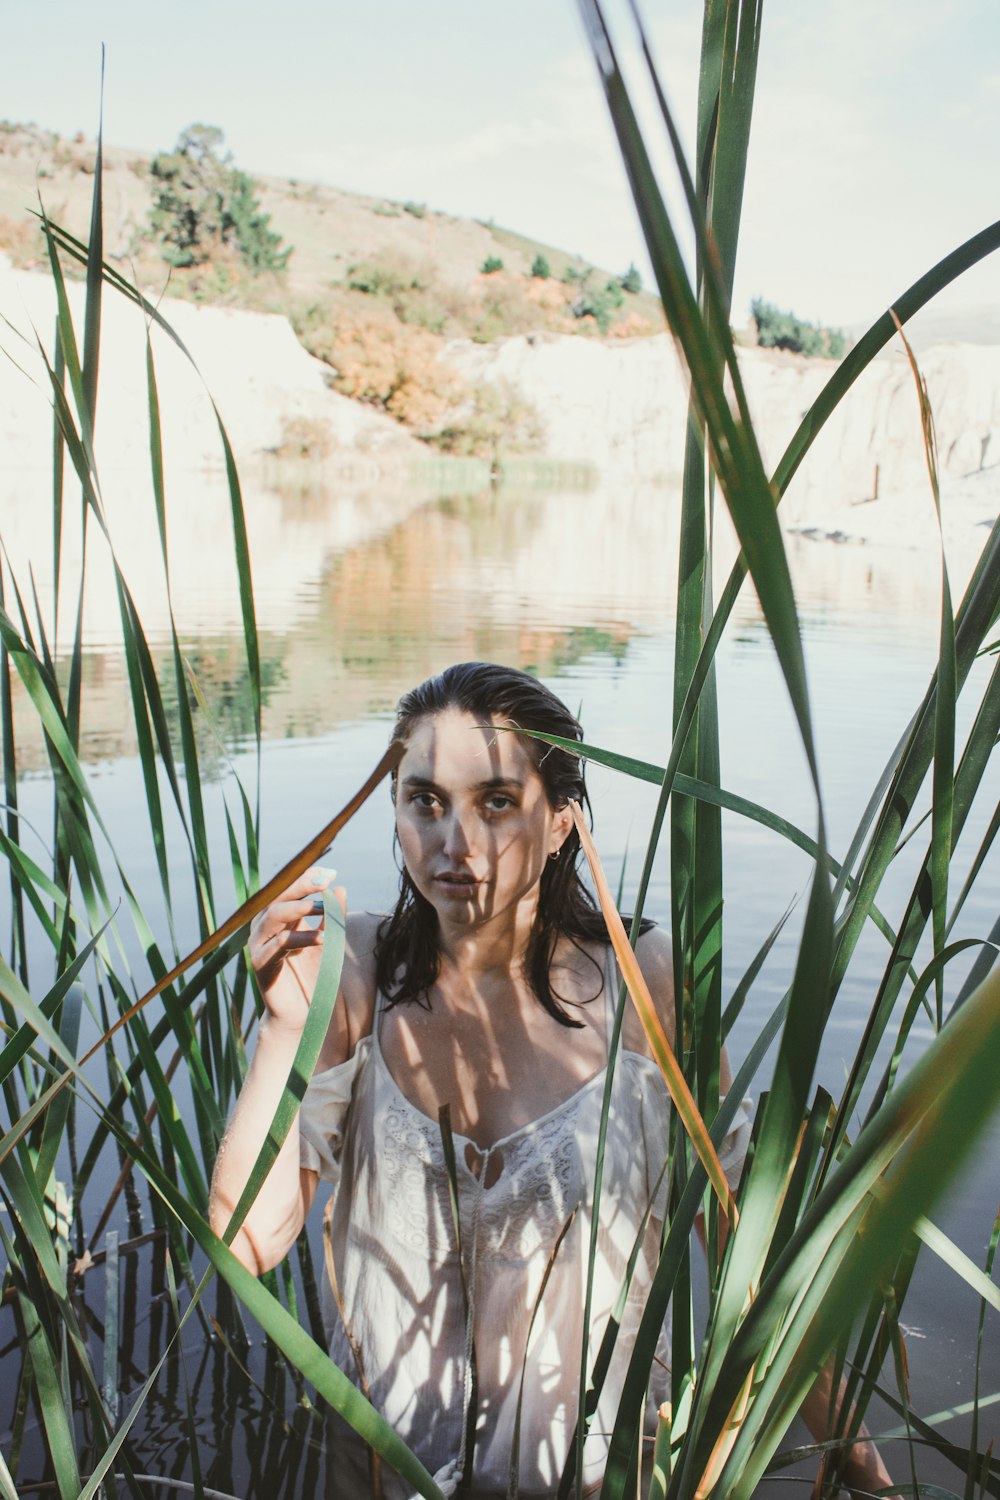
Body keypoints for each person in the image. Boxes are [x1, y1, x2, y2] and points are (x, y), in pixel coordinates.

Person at [209, 662, 895, 1500]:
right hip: (389, 1474)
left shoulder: (647, 984)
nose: (454, 842)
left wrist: (862, 1469)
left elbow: (746, 1250)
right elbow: (248, 1243)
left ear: (562, 820)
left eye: (495, 802)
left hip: (600, 1478)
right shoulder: (355, 971)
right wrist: (285, 1030)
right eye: (424, 800)